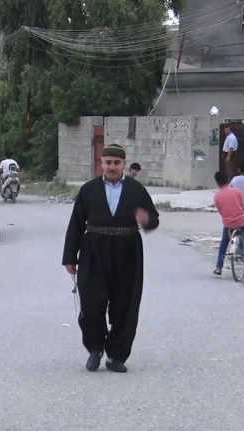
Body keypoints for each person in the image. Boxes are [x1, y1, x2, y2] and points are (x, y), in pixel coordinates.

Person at [62, 144, 160, 373]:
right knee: (91, 303)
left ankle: (116, 355)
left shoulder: (136, 190)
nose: (112, 167)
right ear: (102, 163)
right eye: (108, 162)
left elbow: (153, 218)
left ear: (124, 164)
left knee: (125, 305)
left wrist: (147, 220)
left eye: (117, 163)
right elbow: (76, 224)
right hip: (94, 251)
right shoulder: (89, 190)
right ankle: (95, 349)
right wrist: (70, 257)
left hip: (128, 252)